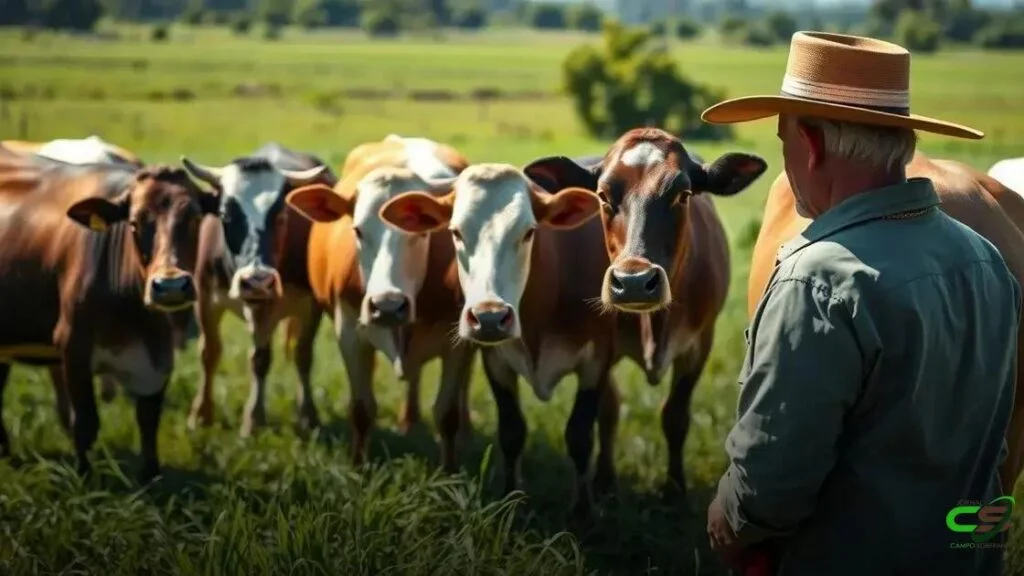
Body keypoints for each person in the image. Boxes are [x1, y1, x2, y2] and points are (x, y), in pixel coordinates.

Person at [698, 31, 1021, 575]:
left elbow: (772, 482)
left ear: (811, 144)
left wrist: (726, 520)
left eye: (783, 139)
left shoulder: (815, 280)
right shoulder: (987, 257)